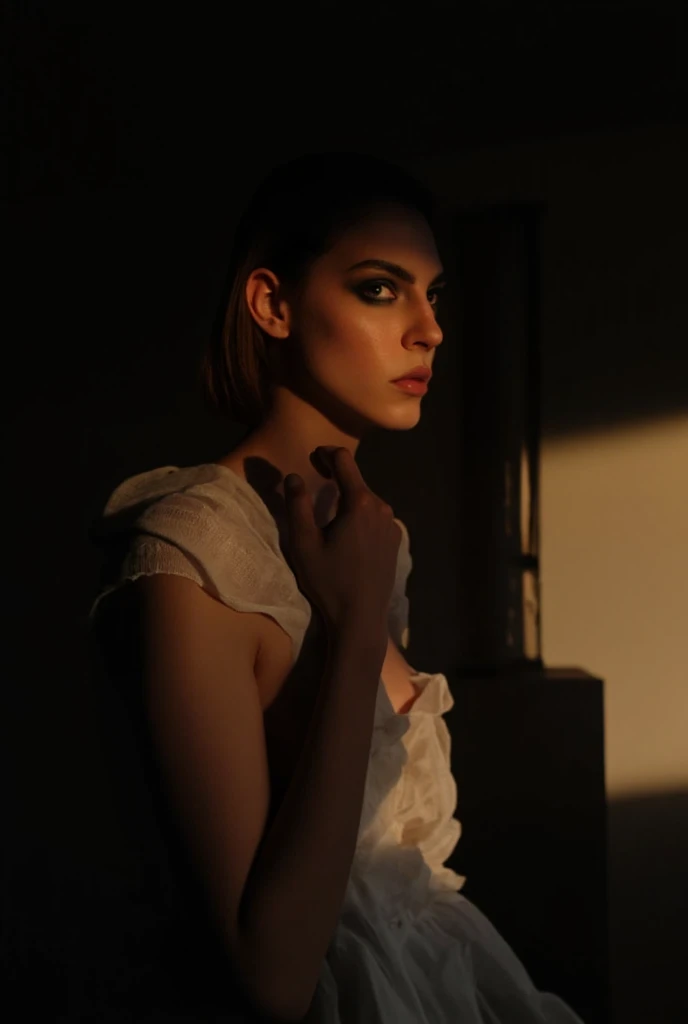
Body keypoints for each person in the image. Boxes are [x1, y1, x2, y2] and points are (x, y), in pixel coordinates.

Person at [88, 153, 585, 1022]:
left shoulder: (371, 538)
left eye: (435, 295)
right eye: (381, 289)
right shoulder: (194, 548)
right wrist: (354, 624)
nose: (429, 330)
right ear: (272, 304)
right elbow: (269, 978)